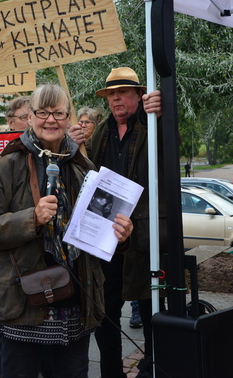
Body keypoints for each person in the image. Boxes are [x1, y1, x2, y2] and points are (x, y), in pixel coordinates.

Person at [0, 83, 133, 378]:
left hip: (74, 302)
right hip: (23, 303)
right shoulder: (8, 163)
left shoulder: (83, 167)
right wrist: (30, 219)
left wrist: (119, 235)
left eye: (58, 112)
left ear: (69, 118)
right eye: (43, 112)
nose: (50, 120)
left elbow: (97, 238)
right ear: (30, 117)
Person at [83, 67, 165, 378]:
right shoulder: (99, 134)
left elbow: (171, 146)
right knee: (106, 314)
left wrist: (163, 113)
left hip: (144, 236)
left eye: (124, 92)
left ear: (139, 96)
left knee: (150, 307)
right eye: (111, 94)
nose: (116, 98)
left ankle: (153, 368)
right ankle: (111, 373)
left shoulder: (152, 125)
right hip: (106, 237)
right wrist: (74, 145)